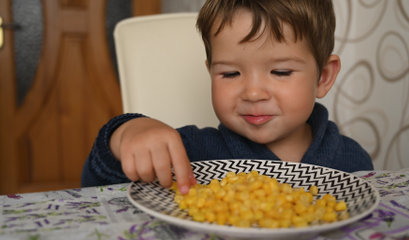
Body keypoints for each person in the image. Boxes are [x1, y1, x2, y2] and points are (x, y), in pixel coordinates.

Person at [81, 0, 373, 193]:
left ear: (323, 77)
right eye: (230, 74)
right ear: (210, 73)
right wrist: (126, 133)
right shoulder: (191, 155)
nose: (253, 93)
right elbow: (97, 188)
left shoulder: (352, 162)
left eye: (281, 72)